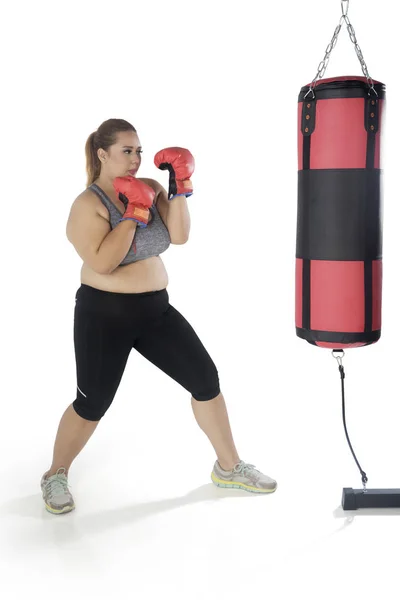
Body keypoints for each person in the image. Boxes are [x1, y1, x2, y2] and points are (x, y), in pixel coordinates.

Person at [40, 118, 277, 515]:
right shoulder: (88, 204)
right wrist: (133, 215)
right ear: (102, 153)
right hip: (105, 314)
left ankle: (229, 467)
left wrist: (179, 188)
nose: (135, 159)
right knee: (92, 402)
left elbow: (180, 236)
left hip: (155, 310)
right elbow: (102, 262)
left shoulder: (148, 187)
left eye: (139, 151)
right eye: (126, 151)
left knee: (206, 380)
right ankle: (55, 475)